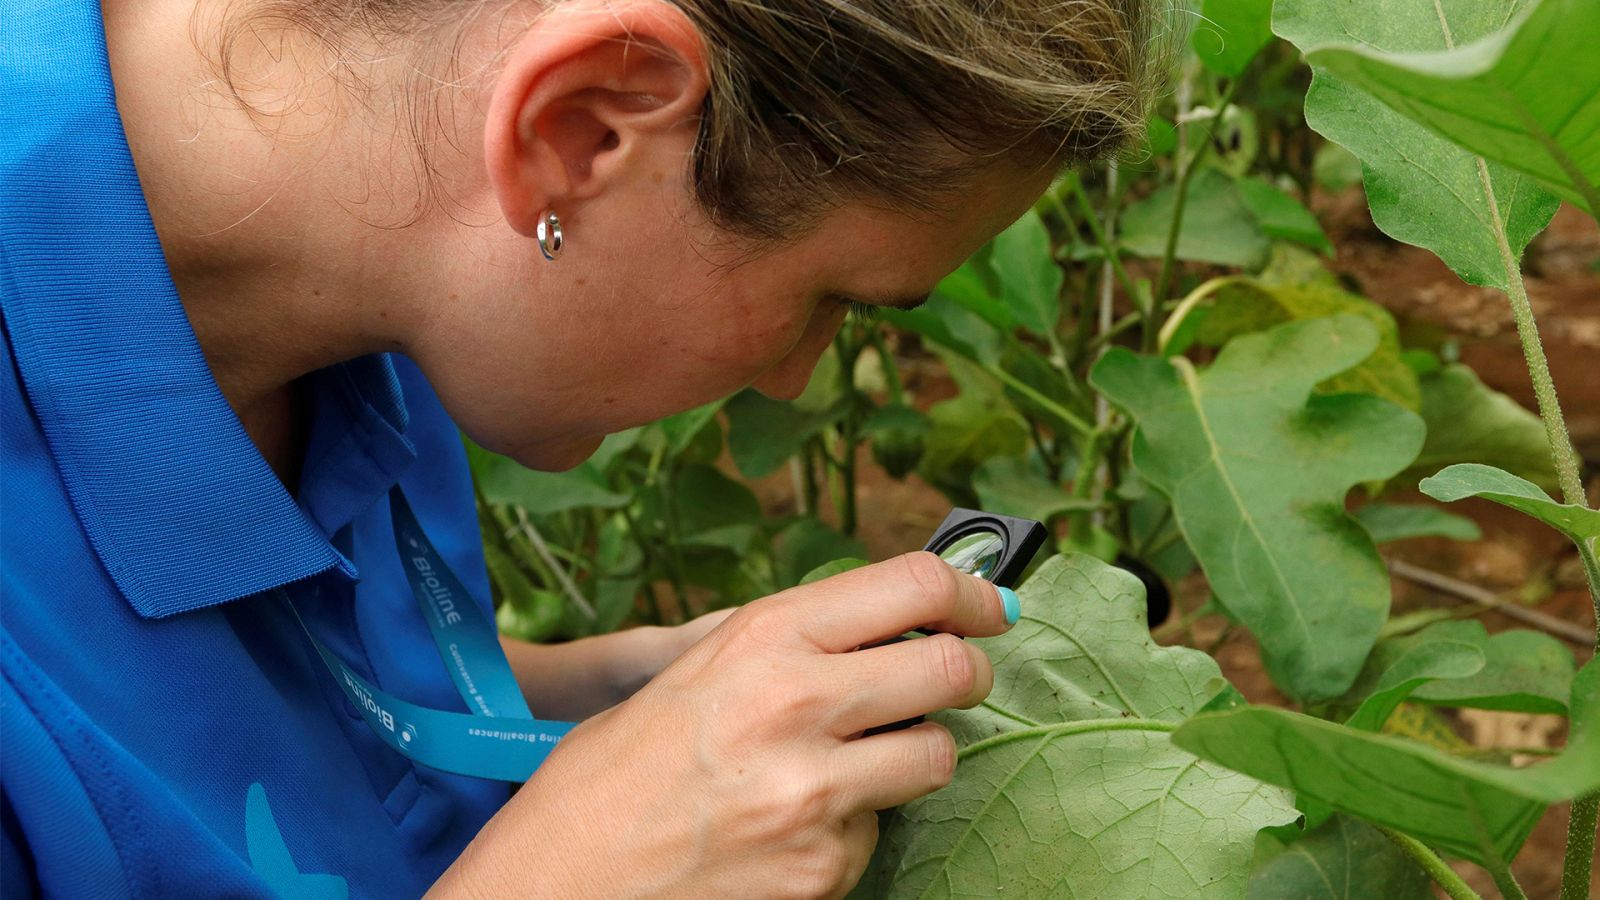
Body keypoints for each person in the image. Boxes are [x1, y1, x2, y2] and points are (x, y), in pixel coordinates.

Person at [0, 0, 1156, 895]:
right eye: (833, 299)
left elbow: (253, 686)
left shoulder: (399, 257)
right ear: (583, 128)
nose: (797, 375)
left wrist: (640, 684)